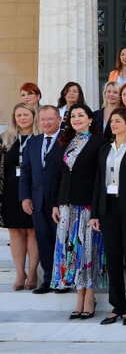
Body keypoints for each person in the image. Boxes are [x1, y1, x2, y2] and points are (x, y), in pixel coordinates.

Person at [90, 108, 126, 326]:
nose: (113, 124)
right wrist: (95, 213)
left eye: (118, 121)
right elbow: (98, 182)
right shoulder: (104, 149)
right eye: (112, 121)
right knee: (113, 257)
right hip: (108, 209)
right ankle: (117, 306)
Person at [51, 104, 108, 319]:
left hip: (88, 207)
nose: (76, 119)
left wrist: (97, 208)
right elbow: (59, 176)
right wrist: (55, 204)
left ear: (90, 119)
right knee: (71, 253)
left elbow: (100, 178)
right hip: (66, 207)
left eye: (80, 115)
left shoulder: (100, 143)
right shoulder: (65, 141)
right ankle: (78, 297)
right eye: (72, 116)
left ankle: (89, 297)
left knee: (88, 253)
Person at [20, 105, 64, 294]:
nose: (46, 123)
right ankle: (48, 280)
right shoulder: (33, 142)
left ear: (59, 120)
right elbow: (26, 173)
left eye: (50, 119)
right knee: (44, 241)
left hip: (60, 201)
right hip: (37, 201)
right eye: (42, 119)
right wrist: (25, 197)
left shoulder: (67, 141)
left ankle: (63, 280)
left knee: (61, 241)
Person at [1, 103, 41, 291]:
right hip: (10, 191)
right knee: (15, 231)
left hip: (34, 190)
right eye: (18, 115)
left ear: (33, 116)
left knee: (32, 230)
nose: (22, 118)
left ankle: (32, 273)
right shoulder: (6, 139)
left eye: (26, 114)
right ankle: (20, 273)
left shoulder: (40, 138)